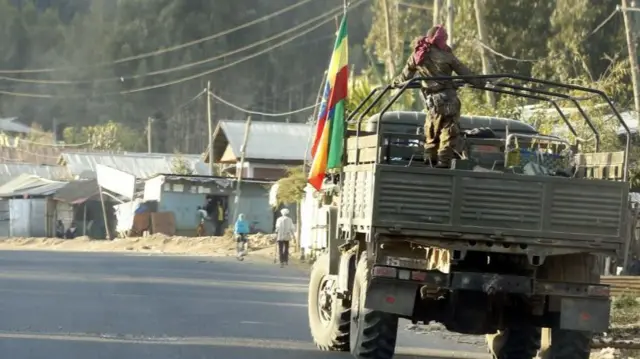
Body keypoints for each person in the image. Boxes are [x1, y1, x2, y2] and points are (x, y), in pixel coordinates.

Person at [392, 25, 488, 168]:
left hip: (432, 103)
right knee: (448, 131)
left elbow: (404, 76)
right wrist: (481, 83)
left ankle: (429, 160)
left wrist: (394, 83)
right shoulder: (447, 56)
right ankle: (443, 162)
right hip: (449, 100)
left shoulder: (418, 55)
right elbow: (465, 73)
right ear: (441, 40)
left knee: (431, 131)